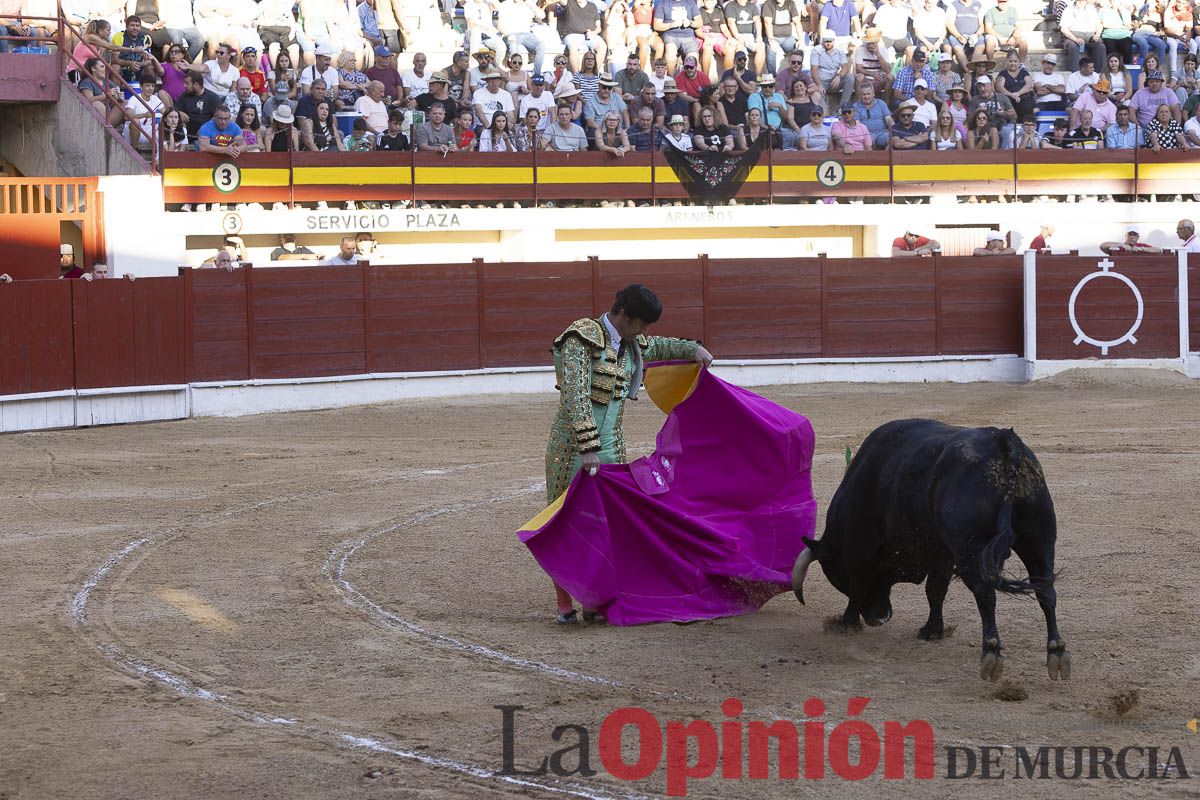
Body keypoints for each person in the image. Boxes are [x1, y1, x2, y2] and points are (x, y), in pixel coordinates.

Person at [544, 284, 713, 624]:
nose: (644, 332)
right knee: (567, 520)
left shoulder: (630, 343)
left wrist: (695, 350)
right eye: (641, 324)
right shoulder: (581, 337)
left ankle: (593, 597)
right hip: (574, 447)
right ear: (623, 315)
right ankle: (564, 601)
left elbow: (662, 345)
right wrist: (588, 446)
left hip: (613, 445)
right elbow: (575, 396)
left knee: (604, 522)